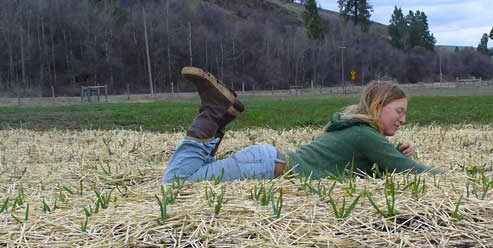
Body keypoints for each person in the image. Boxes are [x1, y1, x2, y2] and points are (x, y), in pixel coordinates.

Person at [162, 67, 439, 183]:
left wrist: (389, 158)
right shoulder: (364, 136)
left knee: (194, 175)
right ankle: (212, 111)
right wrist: (447, 175)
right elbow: (415, 173)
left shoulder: (354, 130)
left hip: (264, 161)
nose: (403, 119)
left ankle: (220, 120)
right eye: (399, 111)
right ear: (378, 106)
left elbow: (364, 171)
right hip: (264, 165)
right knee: (176, 182)